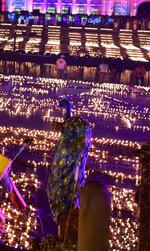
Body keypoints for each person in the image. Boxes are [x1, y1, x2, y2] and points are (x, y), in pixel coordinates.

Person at [47, 100, 92, 244]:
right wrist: (68, 111)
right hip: (61, 186)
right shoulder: (71, 147)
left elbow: (70, 129)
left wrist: (67, 115)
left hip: (65, 191)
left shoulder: (74, 154)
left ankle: (66, 238)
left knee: (64, 202)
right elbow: (68, 128)